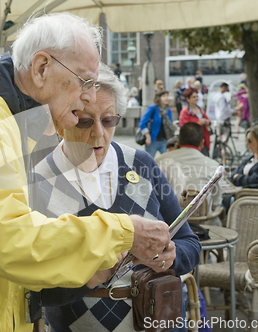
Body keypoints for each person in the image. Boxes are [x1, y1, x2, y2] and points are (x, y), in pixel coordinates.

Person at [0, 13, 171, 332]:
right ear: (41, 68)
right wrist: (125, 231)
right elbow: (12, 243)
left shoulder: (16, 123)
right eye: (85, 81)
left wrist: (83, 271)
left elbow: (20, 253)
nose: (90, 96)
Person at [32, 64, 203, 332]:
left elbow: (189, 243)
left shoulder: (142, 163)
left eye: (109, 120)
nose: (99, 133)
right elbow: (32, 289)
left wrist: (172, 256)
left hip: (156, 321)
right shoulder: (40, 180)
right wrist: (87, 277)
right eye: (85, 121)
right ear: (60, 120)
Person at [156, 122, 222, 226]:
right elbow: (216, 203)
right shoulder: (214, 166)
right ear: (202, 143)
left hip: (167, 223)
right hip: (203, 224)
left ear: (178, 142)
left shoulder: (160, 160)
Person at [139, 90, 175, 158]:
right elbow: (142, 123)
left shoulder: (168, 111)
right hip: (153, 140)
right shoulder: (153, 108)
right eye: (164, 96)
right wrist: (147, 136)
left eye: (167, 96)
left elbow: (170, 125)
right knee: (149, 162)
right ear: (159, 98)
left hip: (165, 141)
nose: (166, 98)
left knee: (168, 162)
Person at [178, 88, 211, 156]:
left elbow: (208, 120)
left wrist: (207, 122)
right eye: (194, 97)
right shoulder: (185, 112)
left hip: (202, 139)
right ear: (188, 99)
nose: (196, 98)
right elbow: (184, 128)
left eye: (197, 96)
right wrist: (199, 123)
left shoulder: (200, 109)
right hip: (191, 142)